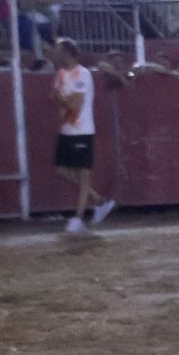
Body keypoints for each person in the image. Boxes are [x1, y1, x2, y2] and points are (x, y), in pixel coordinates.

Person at [49, 38, 118, 233]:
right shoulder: (61, 74)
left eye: (58, 51)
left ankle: (78, 218)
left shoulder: (83, 74)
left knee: (83, 176)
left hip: (82, 131)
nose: (54, 54)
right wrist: (64, 100)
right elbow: (60, 99)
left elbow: (72, 104)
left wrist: (62, 99)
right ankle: (98, 201)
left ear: (68, 53)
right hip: (67, 130)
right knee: (61, 169)